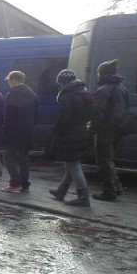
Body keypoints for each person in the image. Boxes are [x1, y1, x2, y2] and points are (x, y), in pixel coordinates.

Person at [49, 69, 94, 207]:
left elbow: (64, 117)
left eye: (59, 83)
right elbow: (91, 113)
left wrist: (56, 130)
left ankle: (83, 197)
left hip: (70, 133)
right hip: (81, 130)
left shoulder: (66, 96)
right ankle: (61, 191)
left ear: (63, 82)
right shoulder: (84, 93)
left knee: (73, 165)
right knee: (71, 163)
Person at [90, 59, 128, 201]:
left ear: (102, 74)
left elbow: (98, 113)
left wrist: (91, 131)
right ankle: (116, 186)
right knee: (110, 160)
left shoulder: (103, 90)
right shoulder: (122, 88)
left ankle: (109, 191)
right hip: (118, 128)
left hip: (105, 129)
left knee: (103, 161)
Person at [1, 71, 38, 192]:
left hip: (13, 131)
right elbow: (36, 114)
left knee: (8, 157)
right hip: (27, 131)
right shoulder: (32, 95)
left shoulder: (12, 95)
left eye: (9, 81)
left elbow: (8, 116)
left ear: (13, 80)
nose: (9, 84)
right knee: (24, 159)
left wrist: (4, 131)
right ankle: (25, 184)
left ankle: (14, 182)